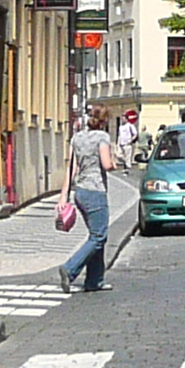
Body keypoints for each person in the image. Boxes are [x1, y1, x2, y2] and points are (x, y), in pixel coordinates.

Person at [61, 105, 118, 292]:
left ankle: (94, 280)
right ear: (104, 122)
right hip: (95, 191)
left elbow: (71, 168)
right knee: (99, 236)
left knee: (96, 235)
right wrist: (115, 163)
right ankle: (70, 269)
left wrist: (63, 196)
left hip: (80, 192)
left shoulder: (77, 138)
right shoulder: (102, 138)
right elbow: (106, 164)